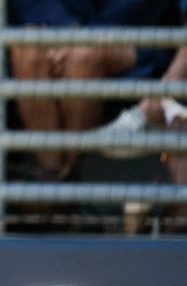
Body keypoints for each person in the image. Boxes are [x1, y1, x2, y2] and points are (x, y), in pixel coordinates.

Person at [10, 0, 179, 180]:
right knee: (27, 49)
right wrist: (65, 27)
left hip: (138, 35)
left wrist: (85, 36)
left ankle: (63, 177)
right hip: (55, 21)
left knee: (83, 57)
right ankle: (55, 174)